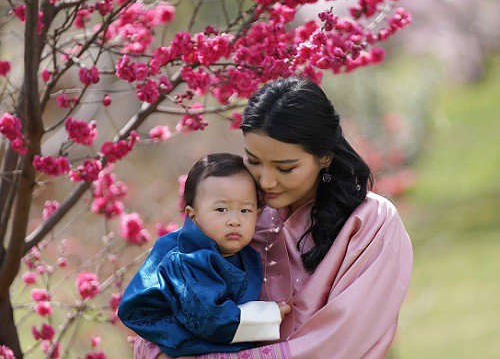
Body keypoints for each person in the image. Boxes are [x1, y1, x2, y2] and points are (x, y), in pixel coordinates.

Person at [132, 77, 413, 359]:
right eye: (253, 161)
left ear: (325, 157)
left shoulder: (370, 223)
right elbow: (158, 310)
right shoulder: (238, 215)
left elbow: (338, 343)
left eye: (285, 168)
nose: (266, 181)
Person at [119, 153, 291, 358]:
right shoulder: (188, 258)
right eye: (221, 209)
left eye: (245, 210)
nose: (234, 220)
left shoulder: (242, 252)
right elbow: (208, 317)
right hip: (176, 336)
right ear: (193, 215)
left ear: (258, 213)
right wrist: (266, 316)